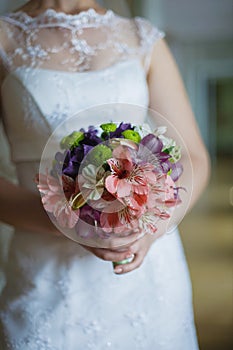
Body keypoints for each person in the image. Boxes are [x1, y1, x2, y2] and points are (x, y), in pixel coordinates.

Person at [0, 0, 209, 349]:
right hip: (48, 277)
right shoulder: (5, 39)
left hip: (149, 268)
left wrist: (151, 229)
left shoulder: (143, 38)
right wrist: (69, 221)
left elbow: (194, 156)